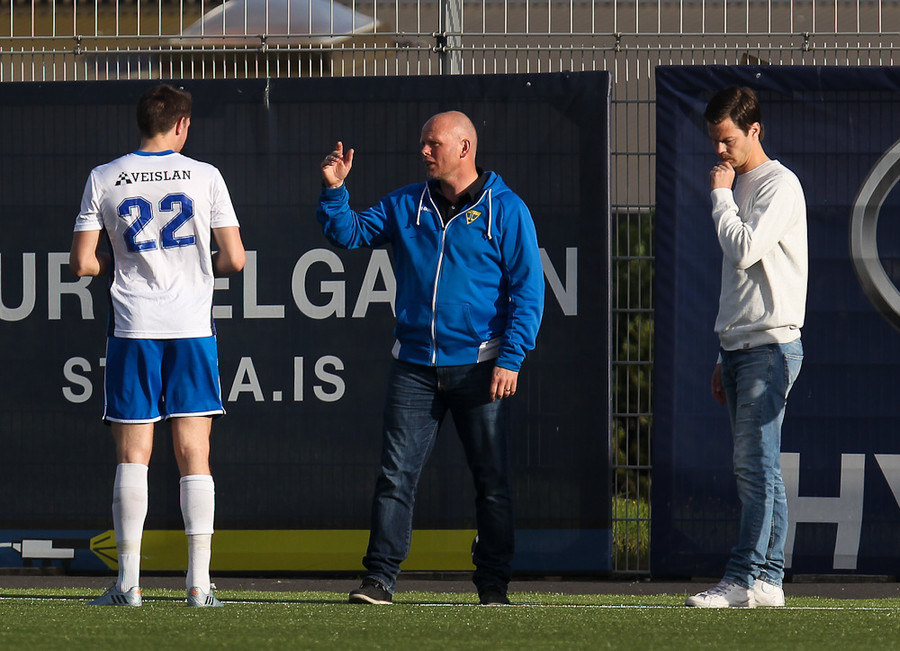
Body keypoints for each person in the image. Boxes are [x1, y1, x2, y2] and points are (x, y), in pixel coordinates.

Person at [316, 111, 544, 606]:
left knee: (491, 482)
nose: (423, 150)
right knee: (395, 476)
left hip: (482, 366)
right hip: (415, 367)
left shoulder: (506, 209)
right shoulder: (406, 203)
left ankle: (493, 585)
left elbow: (528, 291)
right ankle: (380, 579)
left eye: (433, 143)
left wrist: (511, 357)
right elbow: (349, 233)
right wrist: (335, 190)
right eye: (423, 142)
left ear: (464, 148)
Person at [70, 84, 246, 608]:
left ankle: (128, 584)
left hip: (134, 325)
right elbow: (235, 259)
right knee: (195, 452)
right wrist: (198, 271)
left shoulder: (104, 176)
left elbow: (81, 263)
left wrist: (113, 263)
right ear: (182, 124)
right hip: (191, 326)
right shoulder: (206, 175)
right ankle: (199, 585)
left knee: (133, 455)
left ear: (142, 121)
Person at [686, 87, 807, 608]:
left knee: (753, 468)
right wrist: (724, 351)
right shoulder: (742, 183)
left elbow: (743, 251)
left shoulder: (780, 184)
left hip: (771, 347)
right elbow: (741, 284)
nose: (719, 151)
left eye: (727, 140)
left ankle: (742, 578)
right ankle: (769, 581)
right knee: (763, 469)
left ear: (754, 130)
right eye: (714, 141)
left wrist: (720, 196)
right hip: (741, 345)